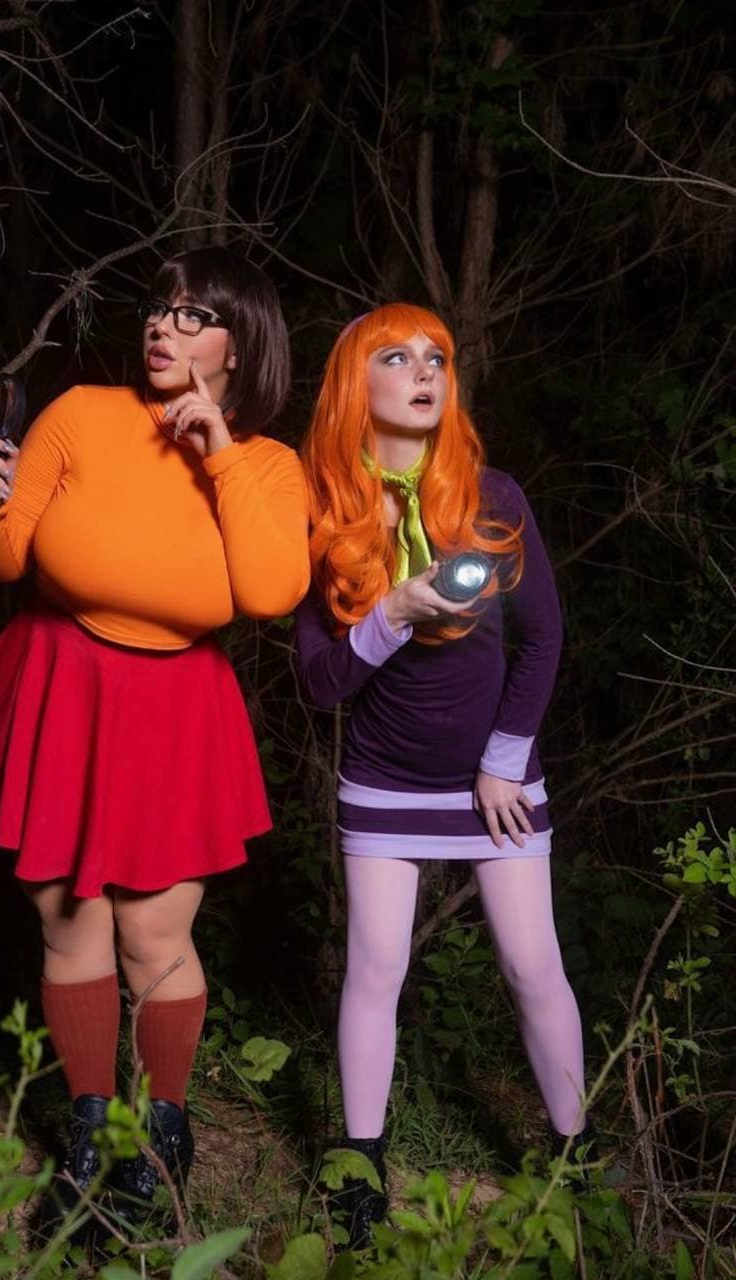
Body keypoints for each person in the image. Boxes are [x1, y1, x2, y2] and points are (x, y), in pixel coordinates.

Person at [0, 248, 309, 1237]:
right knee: (69, 924)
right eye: (160, 308)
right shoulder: (81, 413)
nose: (163, 325)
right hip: (59, 683)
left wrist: (219, 453)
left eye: (194, 315)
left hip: (174, 708)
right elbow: (6, 558)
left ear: (240, 345)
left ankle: (160, 1131)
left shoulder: (268, 465)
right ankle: (88, 1127)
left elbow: (270, 591)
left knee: (153, 935)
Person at [296, 304, 587, 1249]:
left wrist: (503, 763)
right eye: (396, 356)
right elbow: (318, 683)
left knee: (531, 966)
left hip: (494, 783)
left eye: (437, 357)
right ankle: (359, 1174)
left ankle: (575, 1162)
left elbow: (541, 641)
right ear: (355, 381)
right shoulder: (325, 511)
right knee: (375, 967)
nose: (424, 371)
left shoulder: (493, 495)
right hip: (383, 782)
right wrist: (389, 614)